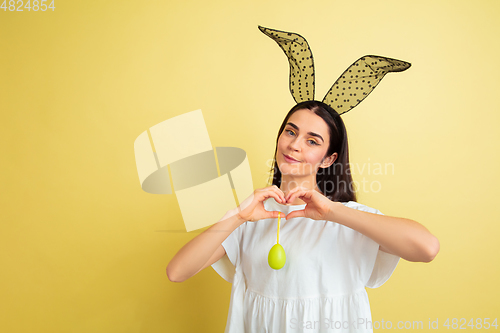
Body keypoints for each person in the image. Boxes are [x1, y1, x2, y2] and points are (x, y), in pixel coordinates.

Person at [167, 100, 440, 333]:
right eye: (290, 132)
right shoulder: (251, 218)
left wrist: (332, 211)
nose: (295, 145)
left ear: (328, 159)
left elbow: (427, 248)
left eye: (312, 141)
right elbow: (177, 272)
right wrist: (237, 216)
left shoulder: (347, 219)